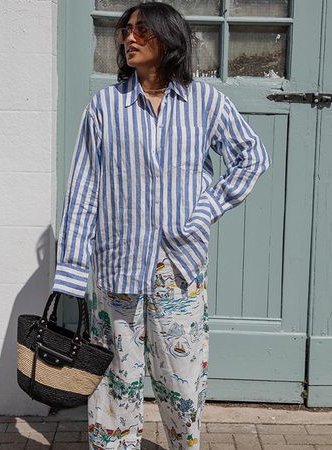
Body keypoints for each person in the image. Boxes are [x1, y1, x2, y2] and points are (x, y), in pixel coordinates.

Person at [52, 2, 272, 449]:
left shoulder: (206, 102)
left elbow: (252, 157)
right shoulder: (104, 108)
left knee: (183, 387)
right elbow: (82, 191)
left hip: (178, 269)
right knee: (114, 386)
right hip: (116, 269)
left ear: (168, 39)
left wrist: (205, 208)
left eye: (141, 31)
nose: (128, 38)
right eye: (125, 31)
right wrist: (71, 273)